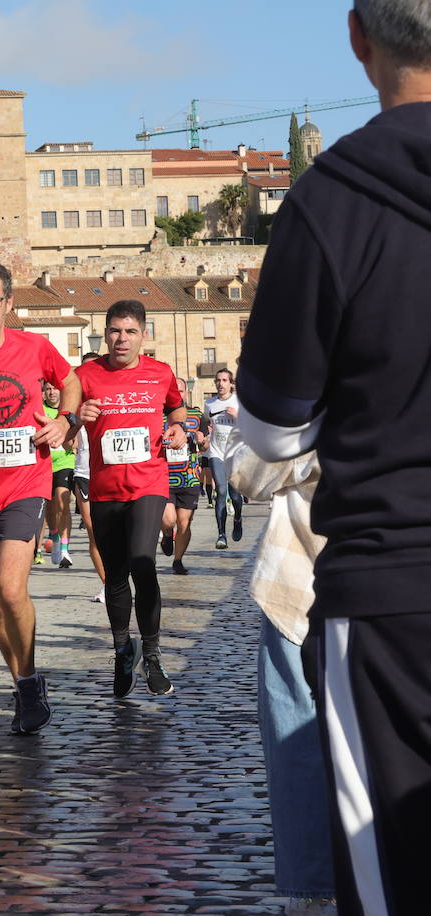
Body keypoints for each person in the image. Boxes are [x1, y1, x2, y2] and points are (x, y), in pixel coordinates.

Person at [238, 3, 431, 909]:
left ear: (359, 37)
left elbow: (273, 436)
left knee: (385, 874)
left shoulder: (329, 200)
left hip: (388, 591)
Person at [0, 259, 77, 735]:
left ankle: (28, 685)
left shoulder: (35, 347)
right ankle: (23, 681)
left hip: (27, 484)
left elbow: (69, 381)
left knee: (7, 588)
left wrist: (66, 420)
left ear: (9, 304)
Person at [228, 433, 337, 916]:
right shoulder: (302, 381)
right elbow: (246, 473)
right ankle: (314, 892)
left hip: (397, 584)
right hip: (302, 588)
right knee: (300, 750)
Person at [77, 300, 186, 699]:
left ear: (143, 334)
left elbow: (176, 407)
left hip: (149, 483)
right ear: (104, 333)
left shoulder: (160, 373)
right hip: (105, 488)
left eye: (130, 331)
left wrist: (178, 429)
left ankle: (153, 655)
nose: (121, 339)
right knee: (116, 576)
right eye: (114, 331)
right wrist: (77, 415)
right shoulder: (85, 375)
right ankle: (124, 649)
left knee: (143, 564)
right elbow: (64, 418)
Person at [160, 376, 210, 576]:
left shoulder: (197, 416)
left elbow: (205, 445)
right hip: (164, 475)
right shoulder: (160, 416)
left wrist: (201, 440)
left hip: (189, 476)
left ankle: (178, 560)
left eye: (181, 391)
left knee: (184, 522)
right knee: (168, 519)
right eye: (175, 391)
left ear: (186, 393)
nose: (178, 394)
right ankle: (165, 533)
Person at [71, 354, 107, 603]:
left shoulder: (112, 399)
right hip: (84, 473)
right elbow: (65, 437)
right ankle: (108, 584)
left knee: (117, 533)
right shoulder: (75, 405)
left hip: (110, 473)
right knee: (94, 532)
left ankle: (121, 578)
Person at [40, 378, 78, 568]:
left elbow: (78, 430)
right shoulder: (39, 410)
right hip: (45, 463)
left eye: (55, 389)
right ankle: (54, 536)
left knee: (62, 501)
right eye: (48, 389)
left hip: (65, 460)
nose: (52, 392)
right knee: (50, 505)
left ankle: (64, 549)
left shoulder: (67, 411)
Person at [205, 368, 243, 549]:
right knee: (220, 490)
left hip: (234, 454)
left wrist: (237, 417)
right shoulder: (209, 403)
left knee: (235, 496)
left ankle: (237, 518)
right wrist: (204, 434)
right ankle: (221, 535)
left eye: (224, 380)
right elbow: (206, 426)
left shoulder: (238, 402)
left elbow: (249, 428)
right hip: (216, 453)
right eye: (218, 380)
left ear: (231, 383)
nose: (221, 383)